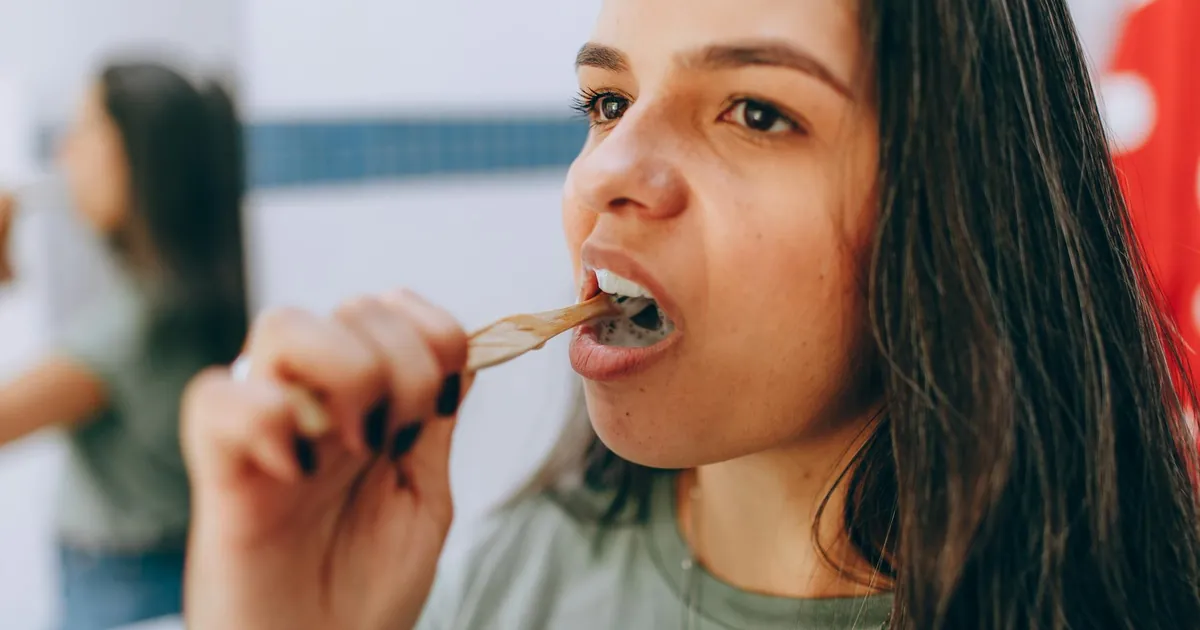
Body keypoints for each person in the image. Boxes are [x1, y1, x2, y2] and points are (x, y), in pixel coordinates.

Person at [178, 1, 1200, 629]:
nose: (607, 172)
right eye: (606, 102)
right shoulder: (518, 567)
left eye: (756, 112)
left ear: (963, 202)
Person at [0, 62, 247, 629]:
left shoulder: (140, 326)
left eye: (83, 129)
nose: (63, 153)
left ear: (136, 153)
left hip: (126, 589)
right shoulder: (188, 295)